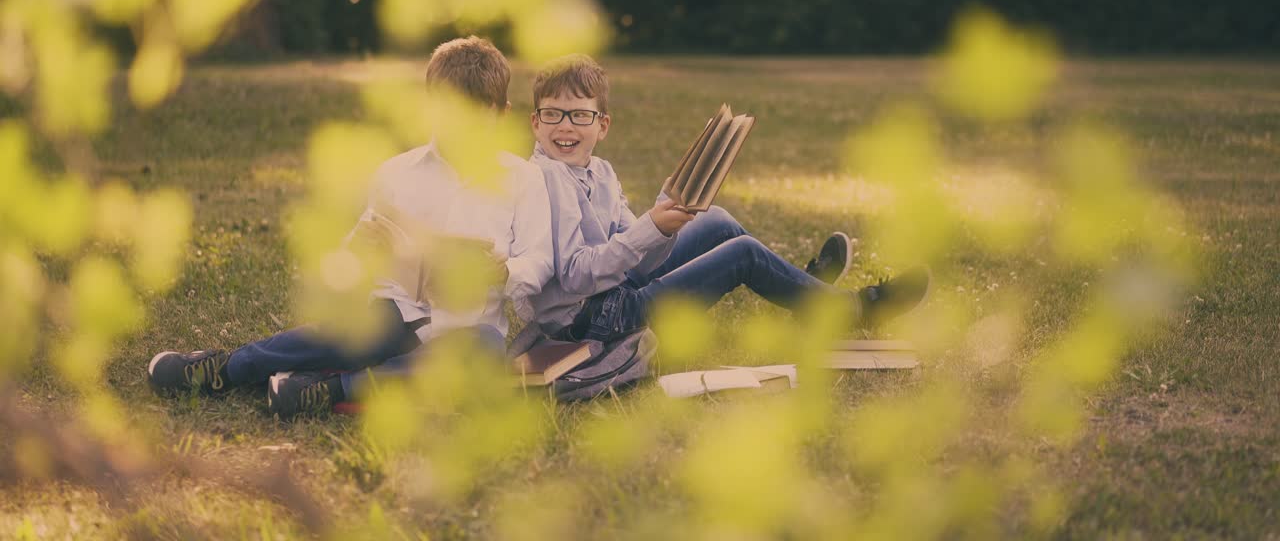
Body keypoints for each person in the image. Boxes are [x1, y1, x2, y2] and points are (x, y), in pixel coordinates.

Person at [146, 36, 555, 419]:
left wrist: (503, 271)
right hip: (396, 313)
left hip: (466, 328)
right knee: (363, 328)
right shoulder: (398, 173)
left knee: (483, 349)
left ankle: (328, 389)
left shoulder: (523, 180)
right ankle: (229, 368)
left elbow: (539, 261)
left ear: (502, 114)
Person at [524, 54, 929, 343]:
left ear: (603, 125)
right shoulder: (547, 178)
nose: (566, 126)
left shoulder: (600, 171)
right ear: (535, 123)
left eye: (580, 115)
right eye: (553, 114)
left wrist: (664, 222)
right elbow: (575, 277)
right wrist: (651, 227)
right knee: (743, 254)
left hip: (615, 290)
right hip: (592, 320)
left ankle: (805, 294)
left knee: (716, 219)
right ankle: (852, 310)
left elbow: (639, 261)